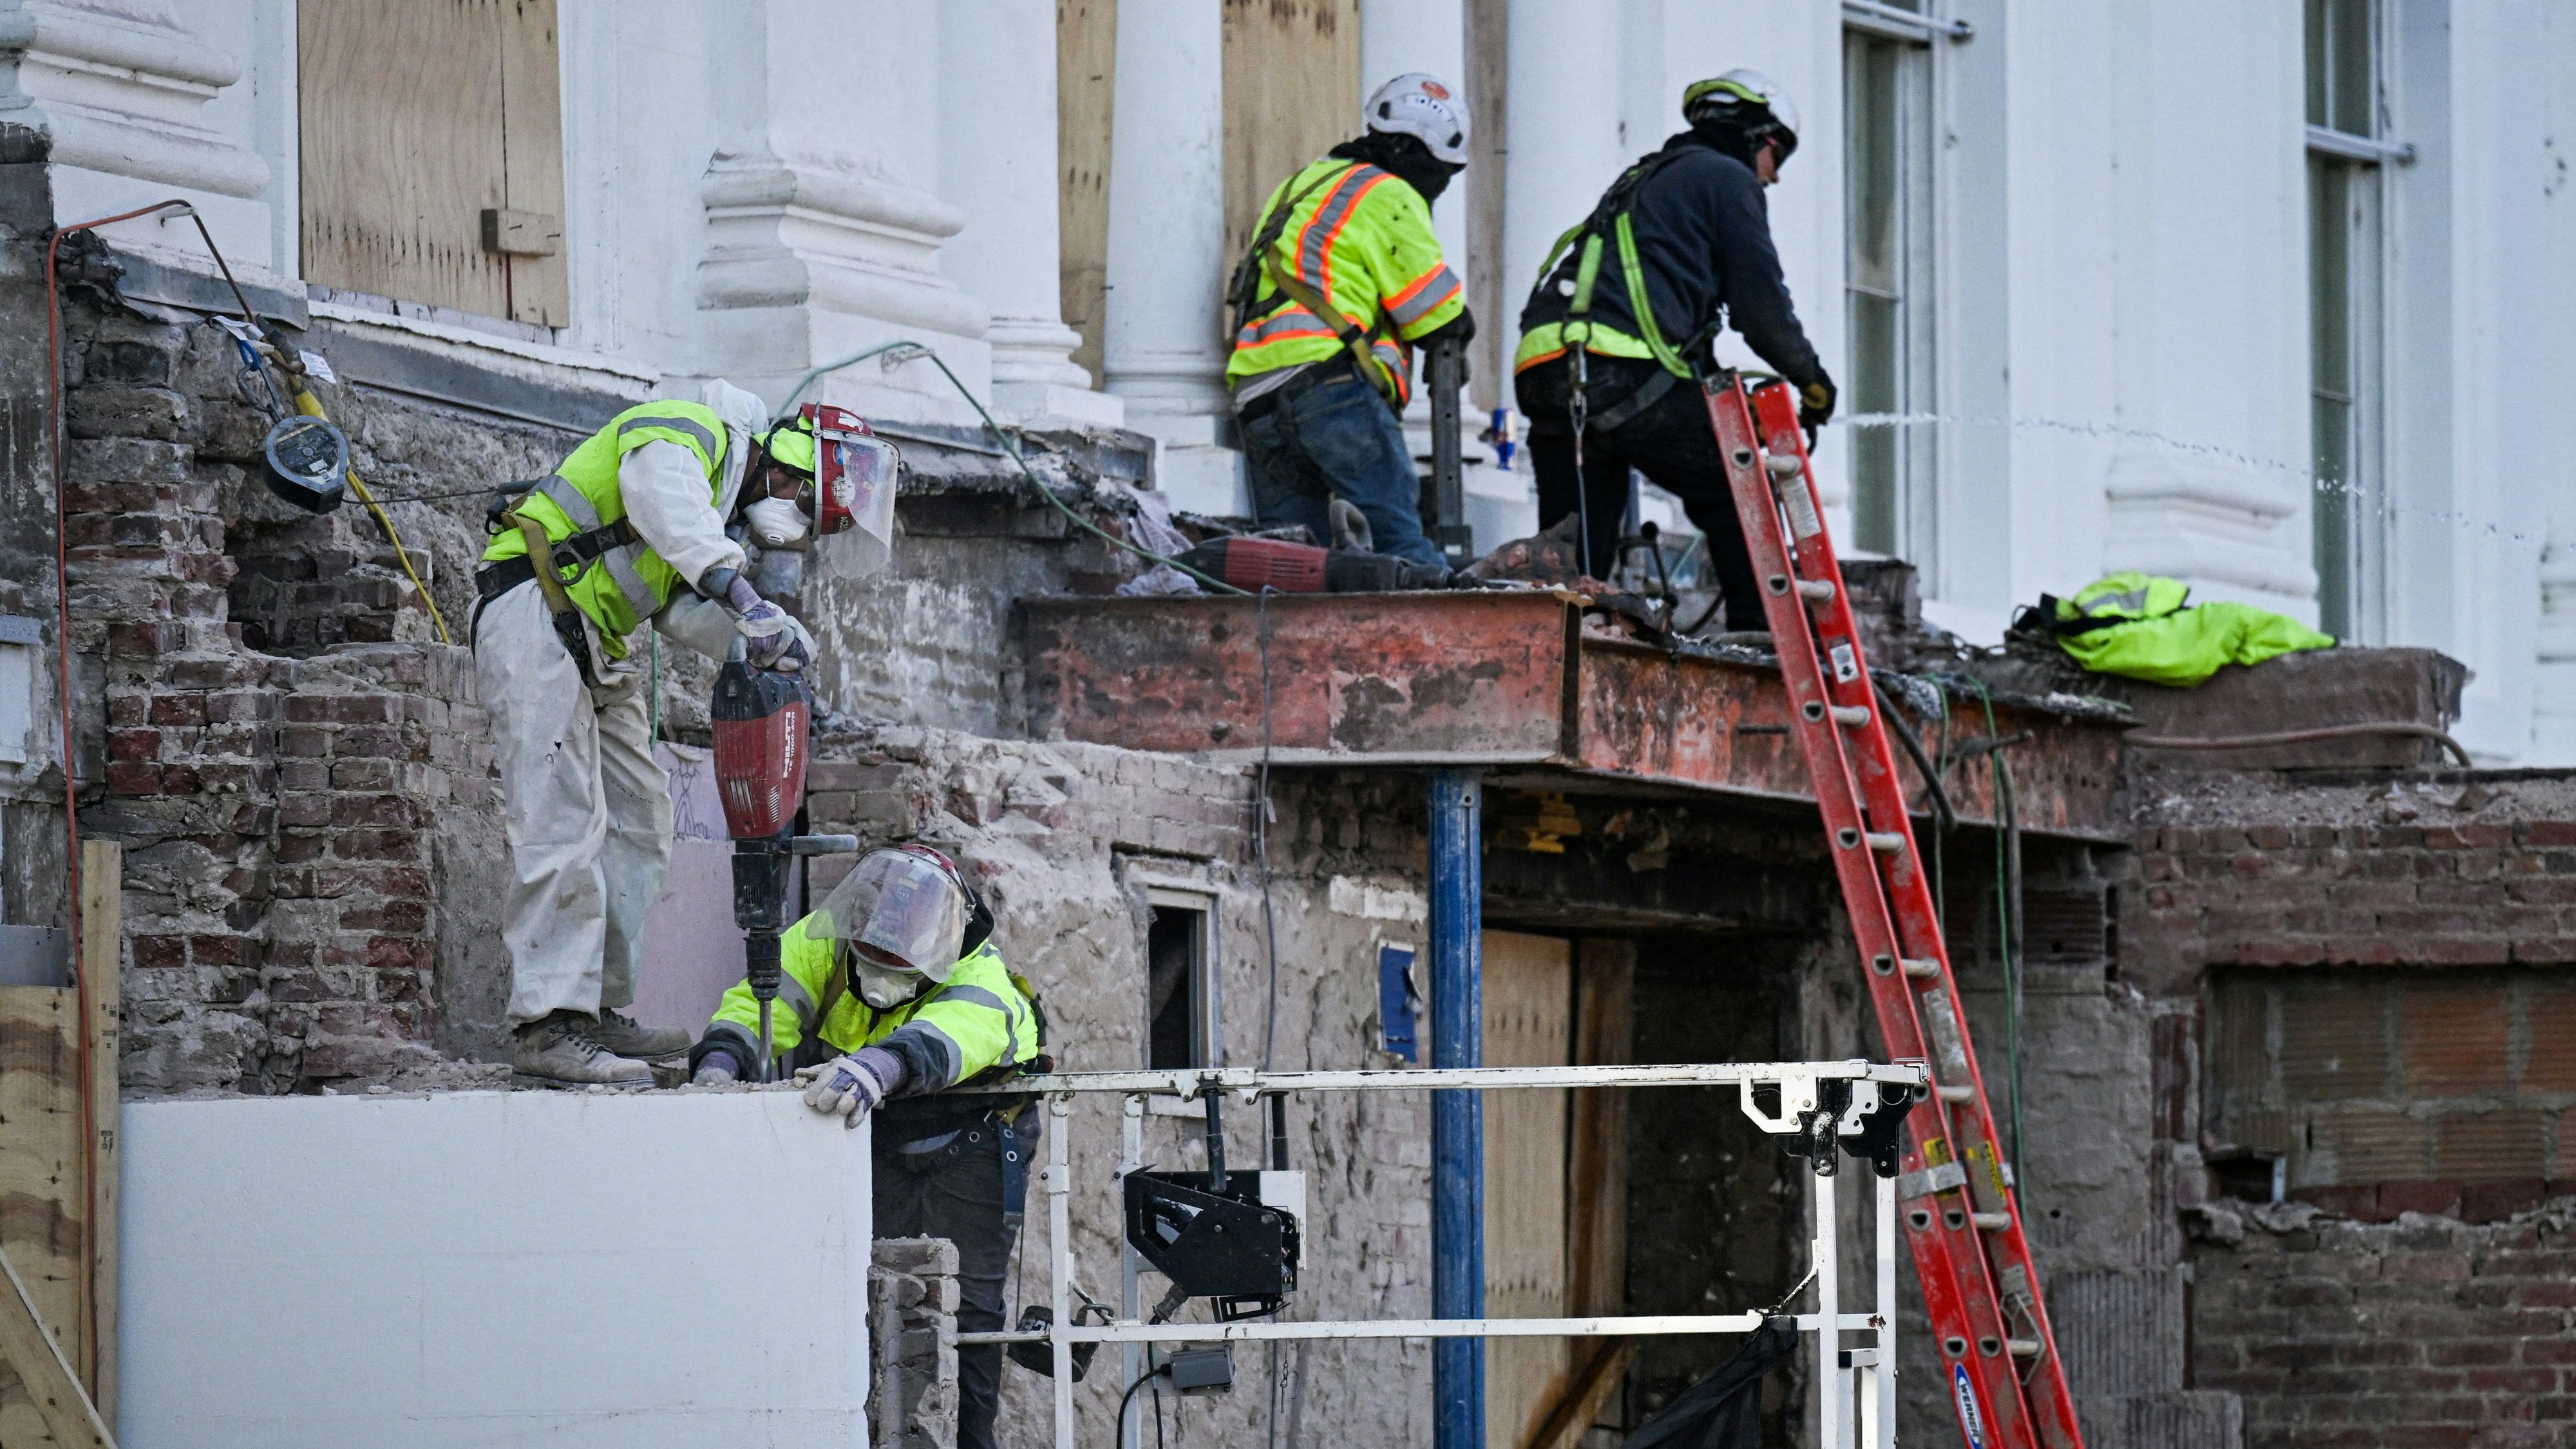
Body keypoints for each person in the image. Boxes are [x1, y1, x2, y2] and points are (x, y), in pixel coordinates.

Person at [475, 380, 828, 1088]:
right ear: (783, 469)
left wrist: (769, 636)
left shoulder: (710, 517)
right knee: (560, 819)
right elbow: (660, 501)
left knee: (639, 821)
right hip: (532, 607)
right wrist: (744, 595)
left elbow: (678, 608)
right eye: (803, 501)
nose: (798, 520)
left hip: (586, 638)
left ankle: (591, 1007)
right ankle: (548, 1024)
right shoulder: (692, 429)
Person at [688, 844, 1045, 1449]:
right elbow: (761, 1001)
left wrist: (883, 1063)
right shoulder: (825, 939)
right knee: (864, 1292)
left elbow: (951, 1032)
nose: (879, 976)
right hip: (877, 1128)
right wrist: (723, 1061)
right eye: (872, 957)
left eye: (899, 965)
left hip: (973, 1139)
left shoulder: (980, 975)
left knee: (969, 1312)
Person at [1513, 70, 1838, 628]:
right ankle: (1759, 638)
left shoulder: (1649, 179)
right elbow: (1762, 310)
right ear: (1759, 137)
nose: (1775, 177)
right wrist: (1812, 381)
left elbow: (1662, 310)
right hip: (1620, 369)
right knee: (1738, 491)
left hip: (1549, 370)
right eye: (1778, 157)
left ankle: (1560, 660)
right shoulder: (1726, 179)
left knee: (1576, 550)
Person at [1226, 71, 1477, 569]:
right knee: (1399, 547)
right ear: (1417, 152)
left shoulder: (1305, 183)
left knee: (1293, 565)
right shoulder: (1387, 192)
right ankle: (1454, 642)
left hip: (1257, 394)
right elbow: (1434, 314)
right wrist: (1460, 327)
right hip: (1328, 388)